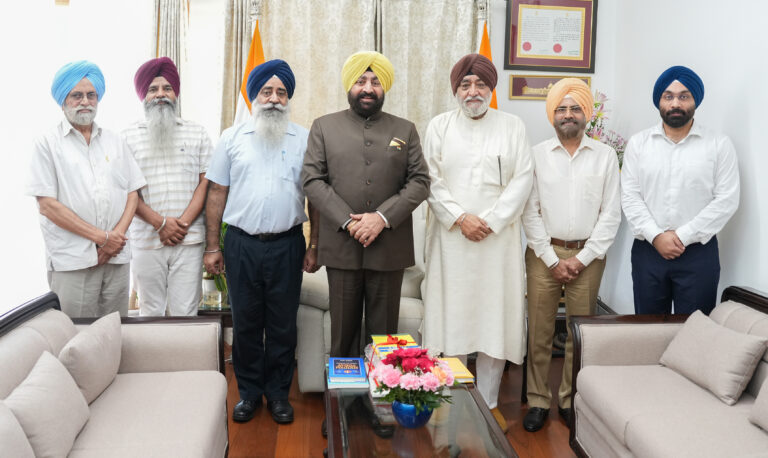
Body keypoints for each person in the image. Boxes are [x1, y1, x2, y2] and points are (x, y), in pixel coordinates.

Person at [421, 53, 533, 433]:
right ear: (456, 90)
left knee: (493, 322)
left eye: (480, 84)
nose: (473, 92)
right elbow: (430, 180)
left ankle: (488, 404)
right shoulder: (439, 126)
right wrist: (460, 218)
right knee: (452, 321)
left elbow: (523, 179)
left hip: (496, 244)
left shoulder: (513, 126)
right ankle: (451, 404)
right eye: (465, 85)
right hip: (452, 242)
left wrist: (492, 221)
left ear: (491, 88)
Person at [204, 59, 319, 425]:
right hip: (242, 245)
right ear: (254, 96)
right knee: (246, 324)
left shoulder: (305, 139)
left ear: (288, 98)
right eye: (266, 91)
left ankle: (279, 394)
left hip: (287, 245)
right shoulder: (231, 138)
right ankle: (250, 394)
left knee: (283, 324)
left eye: (281, 93)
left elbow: (315, 198)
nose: (273, 99)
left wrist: (315, 244)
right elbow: (216, 192)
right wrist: (212, 246)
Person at [301, 51, 430, 358]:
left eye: (375, 81)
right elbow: (312, 180)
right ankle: (344, 392)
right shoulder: (324, 127)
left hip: (388, 248)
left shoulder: (405, 129)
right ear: (350, 85)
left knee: (384, 343)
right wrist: (350, 221)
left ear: (384, 87)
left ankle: (381, 391)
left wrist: (381, 218)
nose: (368, 88)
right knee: (342, 339)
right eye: (361, 81)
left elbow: (420, 181)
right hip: (341, 249)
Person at [521, 78, 621, 432]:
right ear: (552, 115)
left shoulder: (605, 156)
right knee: (540, 332)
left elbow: (611, 214)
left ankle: (567, 399)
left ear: (586, 114)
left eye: (575, 108)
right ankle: (537, 400)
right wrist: (551, 259)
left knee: (579, 334)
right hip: (542, 253)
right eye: (561, 109)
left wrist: (582, 258)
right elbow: (529, 210)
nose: (568, 114)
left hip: (588, 257)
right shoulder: (536, 155)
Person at [27, 60, 145, 317]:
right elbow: (47, 206)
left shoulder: (115, 140)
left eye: (91, 95)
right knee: (75, 334)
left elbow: (132, 193)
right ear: (63, 101)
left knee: (115, 330)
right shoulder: (47, 144)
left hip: (117, 258)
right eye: (76, 95)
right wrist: (102, 239)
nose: (85, 102)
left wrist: (114, 239)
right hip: (73, 261)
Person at [622, 66, 739, 315]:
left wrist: (682, 236)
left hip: (698, 253)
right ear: (659, 101)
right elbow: (630, 196)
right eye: (669, 96)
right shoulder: (639, 144)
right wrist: (657, 236)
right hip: (648, 251)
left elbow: (726, 200)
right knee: (647, 329)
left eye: (684, 96)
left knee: (695, 329)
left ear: (695, 101)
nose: (675, 103)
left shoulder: (718, 144)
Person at [123, 57, 213, 316]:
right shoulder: (126, 137)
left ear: (176, 93)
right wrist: (160, 224)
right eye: (153, 89)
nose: (160, 94)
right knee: (150, 311)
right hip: (146, 239)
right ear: (143, 95)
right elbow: (128, 191)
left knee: (186, 312)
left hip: (189, 239)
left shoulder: (197, 132)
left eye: (167, 88)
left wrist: (181, 224)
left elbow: (205, 182)